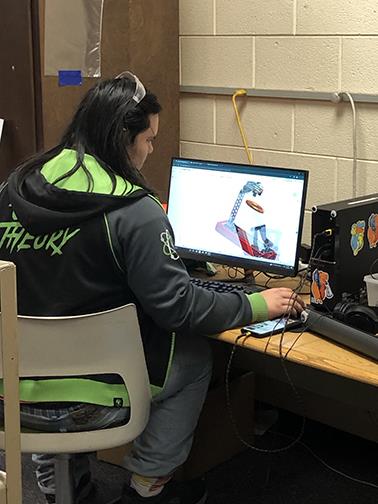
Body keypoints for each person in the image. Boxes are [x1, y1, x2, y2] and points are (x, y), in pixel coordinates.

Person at [0, 72, 305, 504]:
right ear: (122, 138)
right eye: (149, 140)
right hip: (92, 400)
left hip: (12, 393)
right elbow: (179, 309)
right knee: (197, 358)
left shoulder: (12, 190)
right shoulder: (133, 211)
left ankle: (55, 477)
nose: (149, 151)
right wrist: (257, 303)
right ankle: (146, 488)